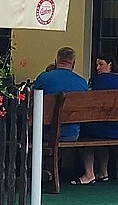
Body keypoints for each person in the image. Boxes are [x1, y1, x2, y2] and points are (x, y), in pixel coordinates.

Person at [32, 47, 96, 182]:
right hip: (72, 134)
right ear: (73, 63)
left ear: (56, 61)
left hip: (46, 133)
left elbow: (32, 100)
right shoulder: (81, 82)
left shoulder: (44, 77)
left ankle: (38, 171)